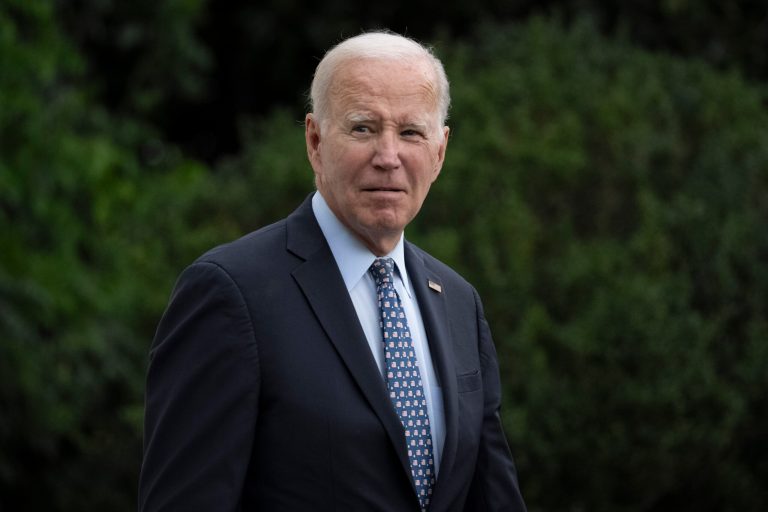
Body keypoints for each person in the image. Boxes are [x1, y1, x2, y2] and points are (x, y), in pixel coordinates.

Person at [138, 31, 527, 512]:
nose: (388, 157)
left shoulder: (459, 302)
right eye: (363, 128)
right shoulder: (231, 294)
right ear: (315, 141)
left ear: (440, 151)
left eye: (410, 132)